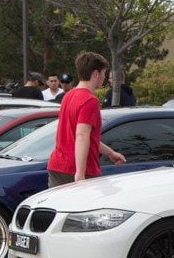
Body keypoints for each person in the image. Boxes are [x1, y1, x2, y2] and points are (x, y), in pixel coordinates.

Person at [46, 51, 126, 187]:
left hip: (57, 165)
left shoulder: (68, 96)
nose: (104, 77)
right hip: (79, 169)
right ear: (95, 74)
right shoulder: (90, 100)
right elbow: (82, 136)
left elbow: (85, 137)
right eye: (104, 73)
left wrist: (110, 153)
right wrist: (80, 173)